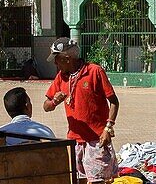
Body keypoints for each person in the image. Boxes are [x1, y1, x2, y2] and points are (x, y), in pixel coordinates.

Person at [43, 37, 119, 182]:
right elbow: (46, 106)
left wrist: (107, 128)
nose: (55, 63)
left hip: (97, 140)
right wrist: (54, 102)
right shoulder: (61, 77)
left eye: (57, 59)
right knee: (79, 180)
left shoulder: (94, 71)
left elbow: (114, 102)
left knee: (98, 180)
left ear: (67, 58)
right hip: (75, 141)